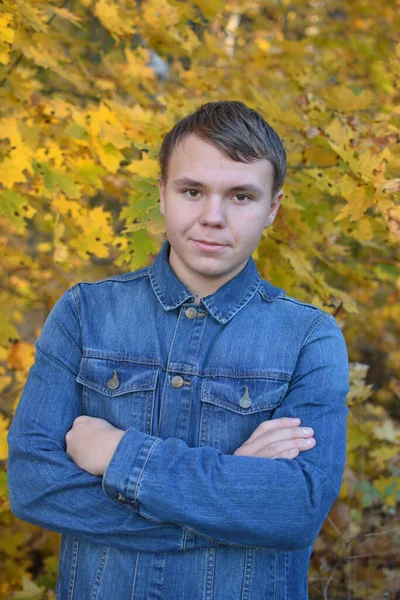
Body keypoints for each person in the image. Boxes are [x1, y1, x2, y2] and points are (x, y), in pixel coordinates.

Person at [7, 101, 349, 599]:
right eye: (193, 191)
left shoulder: (309, 336)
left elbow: (295, 510)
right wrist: (234, 498)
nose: (213, 217)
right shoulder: (85, 314)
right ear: (163, 194)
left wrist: (118, 454)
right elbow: (33, 485)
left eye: (240, 196)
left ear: (272, 208)